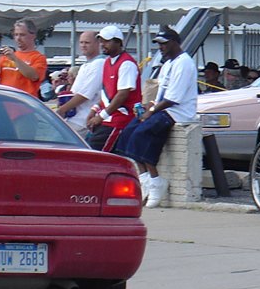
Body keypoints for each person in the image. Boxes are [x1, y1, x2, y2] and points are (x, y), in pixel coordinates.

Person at [115, 26, 198, 208]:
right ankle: (145, 179)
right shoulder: (167, 63)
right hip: (161, 108)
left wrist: (151, 112)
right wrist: (148, 106)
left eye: (164, 44)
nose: (160, 48)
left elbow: (173, 98)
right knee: (128, 132)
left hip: (177, 112)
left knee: (142, 134)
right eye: (158, 44)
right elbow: (160, 93)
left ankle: (156, 179)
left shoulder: (184, 63)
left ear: (174, 43)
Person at [86, 25, 141, 152]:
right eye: (101, 41)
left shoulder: (126, 64)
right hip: (108, 118)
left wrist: (101, 116)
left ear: (118, 42)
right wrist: (94, 110)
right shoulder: (107, 62)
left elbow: (122, 95)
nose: (102, 44)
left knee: (95, 153)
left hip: (120, 119)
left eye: (106, 41)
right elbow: (107, 94)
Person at [55, 30, 105, 138]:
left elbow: (85, 95)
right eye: (81, 42)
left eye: (87, 42)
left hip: (83, 120)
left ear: (98, 43)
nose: (83, 45)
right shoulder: (85, 66)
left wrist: (61, 110)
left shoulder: (99, 64)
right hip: (74, 117)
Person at [0, 18, 48, 97]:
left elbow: (34, 76)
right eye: (16, 35)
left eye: (22, 35)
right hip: (6, 100)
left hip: (25, 102)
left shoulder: (38, 57)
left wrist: (15, 59)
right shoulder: (6, 56)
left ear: (33, 36)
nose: (18, 38)